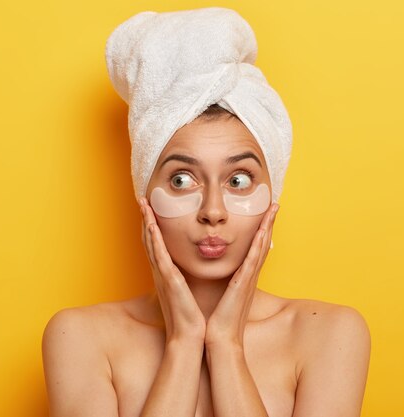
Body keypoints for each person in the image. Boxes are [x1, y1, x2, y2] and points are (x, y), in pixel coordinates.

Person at [42, 8, 370, 417]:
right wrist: (183, 342)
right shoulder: (79, 338)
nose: (212, 211)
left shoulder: (329, 334)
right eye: (181, 180)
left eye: (238, 180)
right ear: (145, 195)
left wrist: (225, 345)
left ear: (273, 196)